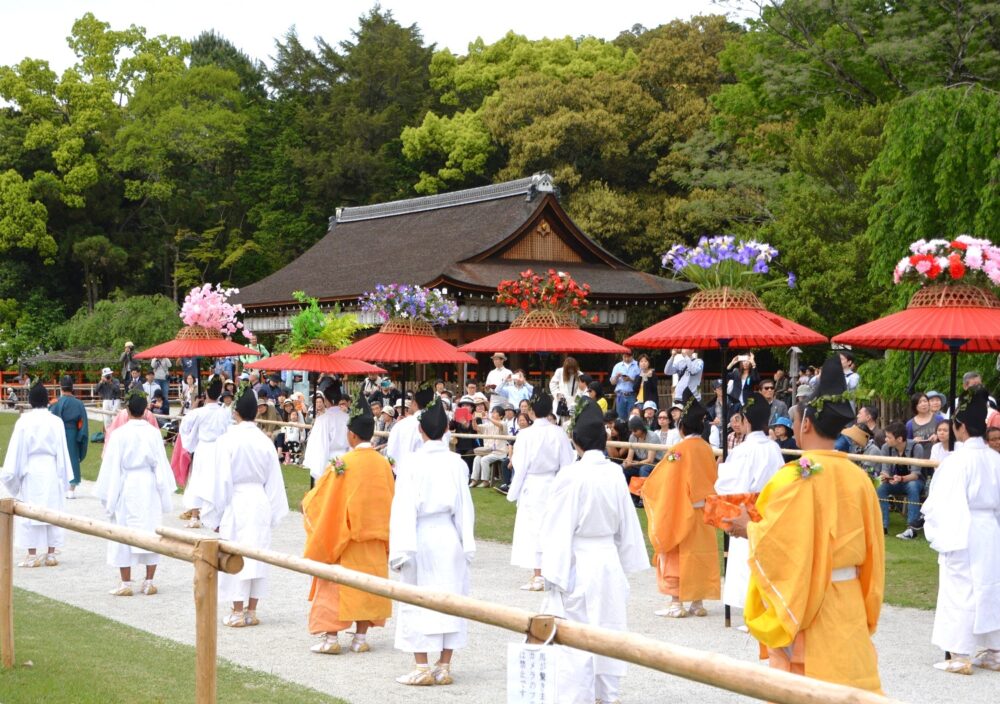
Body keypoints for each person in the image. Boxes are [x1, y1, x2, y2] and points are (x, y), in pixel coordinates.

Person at [725, 354, 884, 693]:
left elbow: (780, 543)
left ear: (806, 424)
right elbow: (874, 549)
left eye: (796, 420)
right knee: (850, 687)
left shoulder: (797, 477)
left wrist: (747, 527)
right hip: (848, 598)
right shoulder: (859, 479)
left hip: (807, 600)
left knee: (805, 688)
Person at [538, 398, 649, 704]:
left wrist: (553, 574)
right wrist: (625, 561)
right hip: (607, 560)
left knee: (577, 636)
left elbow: (557, 527)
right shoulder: (614, 473)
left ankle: (580, 697)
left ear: (576, 442)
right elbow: (627, 523)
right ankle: (607, 696)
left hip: (580, 560)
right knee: (609, 628)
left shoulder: (570, 475)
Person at [389, 394, 475, 686]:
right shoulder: (457, 463)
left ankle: (422, 665)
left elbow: (403, 508)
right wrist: (466, 542)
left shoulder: (412, 463)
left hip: (421, 535)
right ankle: (444, 664)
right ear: (447, 430)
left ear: (420, 430)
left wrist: (401, 549)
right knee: (451, 595)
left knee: (418, 597)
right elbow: (465, 507)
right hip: (449, 534)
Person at [304, 394, 395, 654]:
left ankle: (331, 638)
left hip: (347, 540)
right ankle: (360, 638)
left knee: (335, 586)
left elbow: (325, 501)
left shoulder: (343, 464)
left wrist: (307, 502)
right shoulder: (384, 464)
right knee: (368, 586)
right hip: (375, 539)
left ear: (352, 435)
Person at [921, 385, 1000, 674]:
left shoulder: (957, 461)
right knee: (990, 586)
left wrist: (940, 534)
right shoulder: (996, 459)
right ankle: (995, 651)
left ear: (961, 426)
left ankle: (960, 654)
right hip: (990, 529)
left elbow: (943, 503)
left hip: (963, 528)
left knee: (961, 588)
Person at [201, 387, 289, 627]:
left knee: (237, 552)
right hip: (259, 499)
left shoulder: (227, 440)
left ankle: (238, 611)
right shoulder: (264, 441)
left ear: (236, 412)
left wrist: (215, 515)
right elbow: (274, 480)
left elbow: (220, 480)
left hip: (237, 498)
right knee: (257, 552)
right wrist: (272, 511)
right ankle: (251, 610)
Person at [641, 388, 720, 618]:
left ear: (682, 426)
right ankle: (697, 602)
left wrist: (648, 487)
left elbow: (667, 477)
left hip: (682, 509)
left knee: (676, 552)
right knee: (699, 554)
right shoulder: (707, 449)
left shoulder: (679, 450)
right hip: (703, 512)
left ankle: (676, 603)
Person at [95, 389, 176, 596]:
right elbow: (161, 464)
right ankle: (149, 581)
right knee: (149, 527)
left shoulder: (119, 434)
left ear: (127, 410)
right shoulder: (153, 433)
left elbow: (112, 466)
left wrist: (108, 495)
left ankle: (126, 583)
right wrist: (163, 490)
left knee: (124, 527)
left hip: (128, 482)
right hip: (148, 483)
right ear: (145, 410)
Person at [713, 392, 784, 623]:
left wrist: (722, 470)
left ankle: (752, 611)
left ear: (746, 420)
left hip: (747, 512)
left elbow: (728, 486)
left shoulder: (743, 450)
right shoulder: (774, 448)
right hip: (770, 511)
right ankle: (764, 607)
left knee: (746, 559)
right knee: (764, 560)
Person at [507, 391, 576, 591]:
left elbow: (520, 466)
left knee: (535, 530)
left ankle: (539, 576)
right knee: (550, 527)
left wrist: (513, 492)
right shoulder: (559, 433)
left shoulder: (525, 435)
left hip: (534, 485)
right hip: (553, 483)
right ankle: (549, 573)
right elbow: (567, 463)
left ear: (531, 411)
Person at [0, 382, 73, 567]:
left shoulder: (24, 421)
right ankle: (51, 554)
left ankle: (32, 555)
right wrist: (63, 475)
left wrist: (12, 474)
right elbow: (62, 450)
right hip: (51, 468)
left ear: (31, 401)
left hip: (31, 468)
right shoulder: (56, 421)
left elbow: (17, 449)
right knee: (52, 508)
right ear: (47, 400)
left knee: (30, 511)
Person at [178, 378, 233, 529]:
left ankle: (195, 516)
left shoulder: (198, 413)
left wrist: (191, 440)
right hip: (218, 449)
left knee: (198, 479)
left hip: (204, 448)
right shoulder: (224, 413)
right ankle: (216, 514)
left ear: (206, 394)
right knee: (216, 479)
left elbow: (184, 427)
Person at [877, 421, 927, 540]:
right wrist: (886, 477)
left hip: (914, 482)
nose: (885, 439)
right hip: (894, 481)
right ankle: (882, 526)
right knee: (881, 488)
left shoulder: (916, 447)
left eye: (889, 437)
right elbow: (885, 469)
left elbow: (915, 474)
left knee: (912, 486)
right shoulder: (886, 448)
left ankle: (911, 528)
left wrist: (901, 478)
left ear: (899, 439)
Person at [50, 375, 88, 500]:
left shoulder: (55, 402)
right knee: (72, 459)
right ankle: (71, 489)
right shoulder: (79, 403)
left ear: (61, 387)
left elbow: (49, 419)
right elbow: (83, 423)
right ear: (72, 387)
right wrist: (80, 436)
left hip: (58, 434)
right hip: (73, 433)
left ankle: (59, 486)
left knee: (57, 458)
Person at [303, 383, 349, 481]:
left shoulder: (322, 420)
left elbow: (320, 445)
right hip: (346, 457)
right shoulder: (348, 418)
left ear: (327, 400)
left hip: (328, 458)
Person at [385, 387, 435, 468]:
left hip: (404, 471)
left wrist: (397, 469)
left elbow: (390, 454)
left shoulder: (400, 425)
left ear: (414, 403)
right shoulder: (438, 424)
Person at [549, 356, 582, 424]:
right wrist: (557, 394)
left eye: (572, 369)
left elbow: (581, 389)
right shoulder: (559, 371)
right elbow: (553, 384)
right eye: (569, 369)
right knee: (558, 422)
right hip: (560, 402)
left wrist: (576, 401)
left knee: (571, 423)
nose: (571, 371)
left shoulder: (580, 374)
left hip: (573, 402)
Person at [610, 351, 639, 421]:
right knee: (620, 417)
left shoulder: (637, 365)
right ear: (622, 356)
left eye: (628, 357)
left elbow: (640, 381)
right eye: (624, 357)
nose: (626, 359)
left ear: (632, 356)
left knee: (632, 417)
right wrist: (617, 377)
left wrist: (630, 379)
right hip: (620, 394)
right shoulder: (617, 366)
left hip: (632, 394)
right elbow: (612, 382)